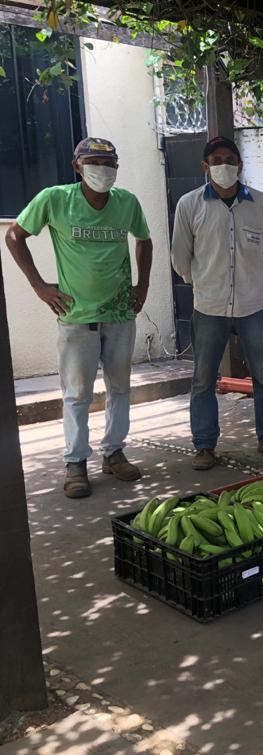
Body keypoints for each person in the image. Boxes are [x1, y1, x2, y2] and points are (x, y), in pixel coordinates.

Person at [4, 138, 153, 498]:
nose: (102, 170)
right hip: (76, 315)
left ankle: (114, 453)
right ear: (77, 166)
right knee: (76, 394)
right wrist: (39, 286)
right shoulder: (55, 199)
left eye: (109, 163)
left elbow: (144, 241)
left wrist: (143, 285)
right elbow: (14, 236)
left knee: (120, 388)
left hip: (120, 312)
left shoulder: (127, 202)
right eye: (94, 163)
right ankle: (75, 462)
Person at [170, 136, 263, 470]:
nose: (224, 165)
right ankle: (204, 445)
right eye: (217, 160)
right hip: (209, 307)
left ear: (241, 165)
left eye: (230, 160)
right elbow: (180, 256)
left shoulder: (260, 203)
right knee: (203, 379)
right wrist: (201, 283)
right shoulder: (189, 205)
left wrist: (256, 281)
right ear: (205, 166)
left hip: (253, 306)